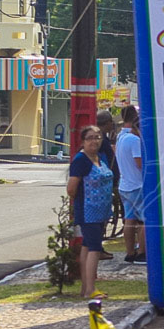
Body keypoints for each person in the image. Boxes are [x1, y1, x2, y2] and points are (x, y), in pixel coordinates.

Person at [67, 125, 114, 298]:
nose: (94, 141)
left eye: (97, 137)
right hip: (88, 211)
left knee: (87, 246)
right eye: (90, 138)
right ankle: (90, 289)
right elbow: (71, 188)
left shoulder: (100, 157)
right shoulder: (81, 160)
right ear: (83, 141)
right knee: (95, 247)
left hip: (101, 211)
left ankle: (86, 288)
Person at [115, 105, 146, 263]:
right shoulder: (134, 140)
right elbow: (140, 163)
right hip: (137, 184)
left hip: (125, 184)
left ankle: (130, 253)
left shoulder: (121, 137)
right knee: (144, 220)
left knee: (129, 219)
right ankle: (141, 252)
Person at [95, 110, 118, 261]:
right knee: (101, 218)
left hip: (102, 183)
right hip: (103, 183)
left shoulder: (101, 139)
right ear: (107, 123)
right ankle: (98, 248)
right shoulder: (102, 141)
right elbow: (110, 160)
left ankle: (98, 247)